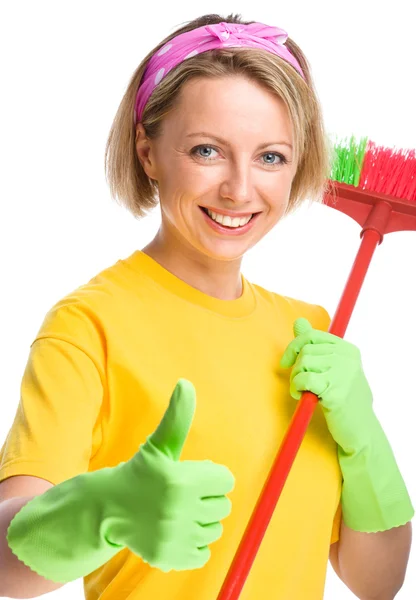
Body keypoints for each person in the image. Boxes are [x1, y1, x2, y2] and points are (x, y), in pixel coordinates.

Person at [0, 12, 413, 600]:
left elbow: (378, 583)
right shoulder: (90, 324)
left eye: (270, 156)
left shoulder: (314, 334)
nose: (240, 190)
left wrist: (364, 439)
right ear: (149, 153)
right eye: (206, 150)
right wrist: (102, 511)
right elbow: (7, 570)